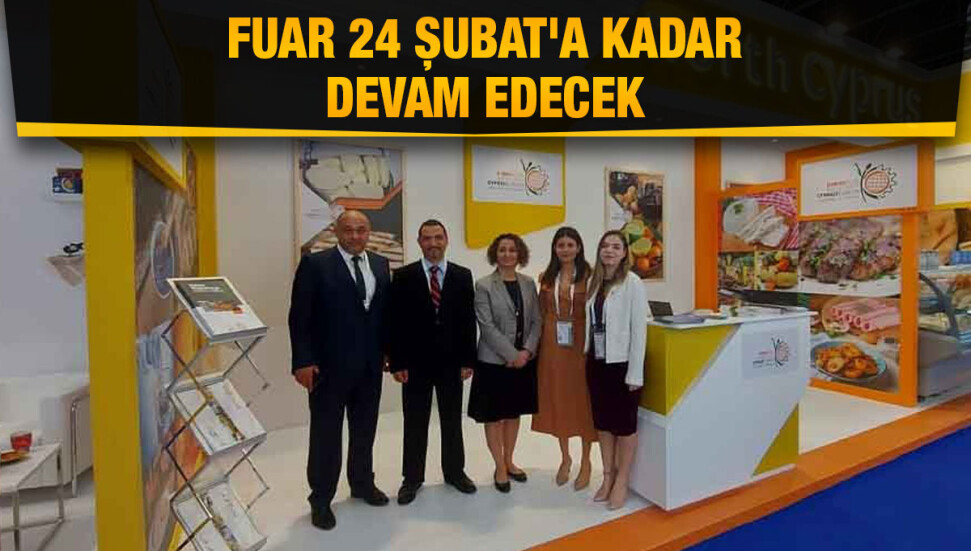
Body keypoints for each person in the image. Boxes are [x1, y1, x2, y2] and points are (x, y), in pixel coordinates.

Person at [287, 210, 391, 531]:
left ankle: (362, 483)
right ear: (336, 231)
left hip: (370, 367)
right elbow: (299, 317)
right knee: (326, 435)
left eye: (361, 230)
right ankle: (321, 499)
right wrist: (302, 361)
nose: (355, 236)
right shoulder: (315, 265)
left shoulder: (380, 264)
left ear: (369, 232)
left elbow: (383, 314)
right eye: (348, 230)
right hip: (328, 369)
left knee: (365, 429)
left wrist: (389, 352)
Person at [389, 219, 478, 505]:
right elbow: (395, 322)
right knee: (415, 422)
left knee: (452, 420)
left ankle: (455, 472)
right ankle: (412, 478)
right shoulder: (404, 276)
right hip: (415, 365)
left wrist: (468, 360)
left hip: (452, 363)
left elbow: (467, 321)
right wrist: (397, 362)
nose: (433, 243)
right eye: (427, 239)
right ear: (419, 242)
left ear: (446, 239)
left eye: (438, 237)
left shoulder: (462, 275)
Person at [469, 233, 542, 493]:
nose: (507, 254)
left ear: (520, 254)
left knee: (513, 414)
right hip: (493, 362)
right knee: (494, 417)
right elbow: (486, 326)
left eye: (512, 250)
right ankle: (499, 466)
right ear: (495, 254)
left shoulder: (528, 283)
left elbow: (537, 321)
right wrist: (512, 355)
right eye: (502, 250)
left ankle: (510, 460)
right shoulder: (484, 285)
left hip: (523, 361)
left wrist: (527, 351)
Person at [584, 230, 648, 510]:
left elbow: (639, 331)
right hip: (597, 362)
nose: (609, 251)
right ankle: (607, 476)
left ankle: (622, 480)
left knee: (624, 426)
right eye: (605, 246)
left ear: (624, 254)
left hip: (622, 365)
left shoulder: (633, 283)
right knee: (603, 425)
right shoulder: (594, 282)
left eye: (615, 247)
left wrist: (635, 373)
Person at [532, 227, 598, 490]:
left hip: (581, 345)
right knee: (558, 398)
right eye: (561, 245)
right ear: (554, 249)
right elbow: (540, 312)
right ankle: (565, 458)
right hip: (553, 346)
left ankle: (586, 461)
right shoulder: (546, 278)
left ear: (579, 247)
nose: (566, 249)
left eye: (570, 244)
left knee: (583, 401)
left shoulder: (591, 277)